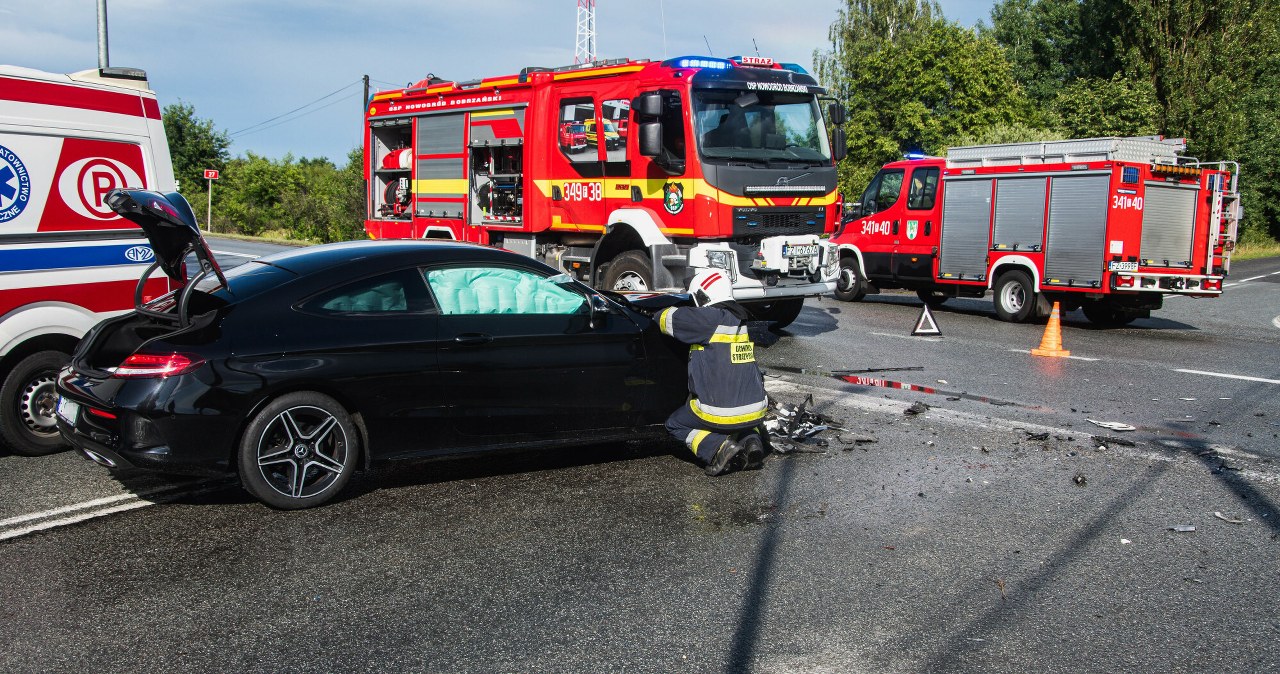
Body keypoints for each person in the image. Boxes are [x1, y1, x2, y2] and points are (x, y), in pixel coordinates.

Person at [656, 270, 769, 476]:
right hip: (757, 410)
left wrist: (654, 310)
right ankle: (751, 441)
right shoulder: (741, 318)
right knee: (742, 419)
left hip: (719, 413)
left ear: (703, 295)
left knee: (675, 424)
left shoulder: (708, 319)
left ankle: (718, 448)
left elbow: (664, 319)